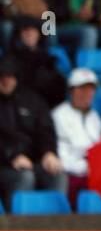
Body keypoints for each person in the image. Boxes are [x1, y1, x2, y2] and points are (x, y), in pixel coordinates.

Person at [0, 54, 62, 211]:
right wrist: (11, 156)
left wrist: (49, 152)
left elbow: (46, 130)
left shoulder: (32, 99)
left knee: (57, 174)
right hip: (4, 164)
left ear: (16, 77)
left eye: (10, 76)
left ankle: (58, 226)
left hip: (31, 161)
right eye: (2, 76)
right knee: (24, 177)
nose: (6, 80)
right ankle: (18, 227)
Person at [51, 67, 101, 201]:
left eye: (91, 89)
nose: (88, 93)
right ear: (71, 90)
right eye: (82, 89)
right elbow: (61, 156)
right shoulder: (59, 115)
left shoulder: (95, 117)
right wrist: (87, 167)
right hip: (71, 174)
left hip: (94, 173)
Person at [6, 14, 65, 108]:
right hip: (20, 106)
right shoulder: (11, 58)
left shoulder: (48, 59)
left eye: (33, 30)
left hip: (45, 106)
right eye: (25, 30)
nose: (29, 33)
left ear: (39, 34)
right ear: (19, 34)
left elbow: (58, 87)